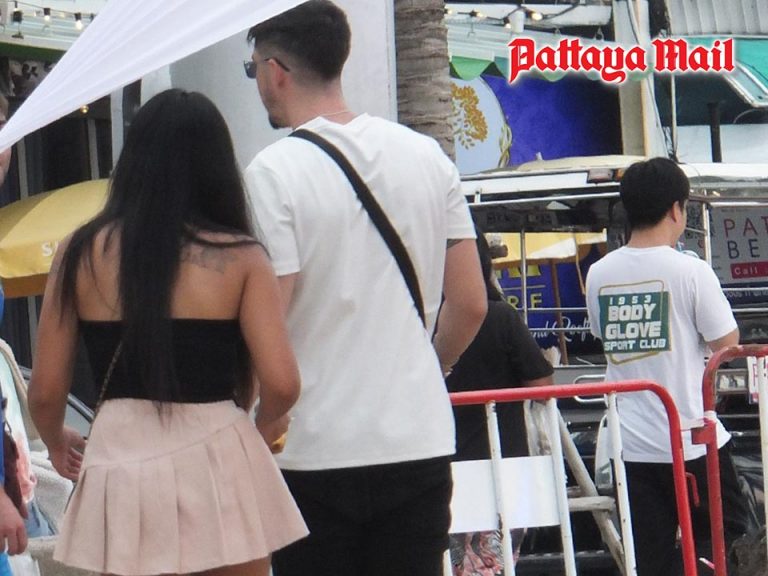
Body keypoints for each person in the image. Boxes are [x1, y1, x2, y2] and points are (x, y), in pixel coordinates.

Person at [243, 2, 487, 575]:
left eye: (252, 70)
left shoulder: (273, 173)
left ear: (275, 71)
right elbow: (472, 301)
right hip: (418, 439)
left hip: (314, 447)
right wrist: (429, 367)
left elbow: (271, 316)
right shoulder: (427, 157)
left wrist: (253, 419)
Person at [27, 89, 308, 576]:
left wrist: (55, 441)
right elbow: (282, 383)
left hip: (120, 458)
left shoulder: (79, 251)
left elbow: (47, 391)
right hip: (221, 452)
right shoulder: (241, 257)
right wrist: (261, 430)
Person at [585, 157, 750, 576]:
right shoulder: (690, 271)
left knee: (650, 557)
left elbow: (605, 337)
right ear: (677, 209)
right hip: (691, 438)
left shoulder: (599, 273)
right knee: (726, 539)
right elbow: (727, 343)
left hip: (630, 443)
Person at [447, 230, 554, 575]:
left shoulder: (422, 321)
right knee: (496, 564)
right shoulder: (501, 317)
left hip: (443, 466)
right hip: (503, 465)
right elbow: (542, 385)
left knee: (455, 563)